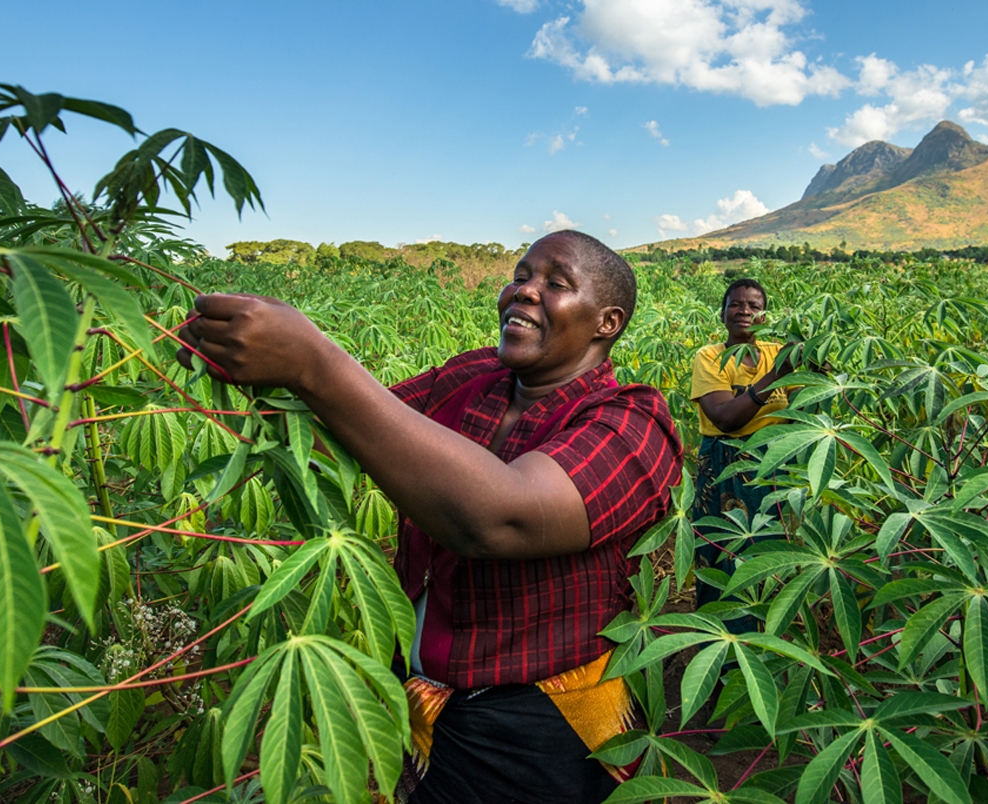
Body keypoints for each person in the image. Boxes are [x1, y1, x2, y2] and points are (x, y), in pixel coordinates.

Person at [176, 231, 681, 804]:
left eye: (555, 284)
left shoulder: (635, 424)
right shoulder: (472, 377)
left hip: (540, 720)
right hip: (418, 694)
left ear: (607, 322)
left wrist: (314, 361)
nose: (524, 292)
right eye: (520, 275)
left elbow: (499, 519)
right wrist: (257, 365)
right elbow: (351, 432)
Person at [688, 278, 793, 620]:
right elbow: (724, 418)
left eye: (754, 306)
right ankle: (719, 645)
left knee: (768, 558)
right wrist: (776, 375)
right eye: (736, 304)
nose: (745, 311)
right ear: (722, 313)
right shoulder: (710, 357)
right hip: (722, 464)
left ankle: (763, 643)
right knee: (719, 554)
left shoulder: (781, 351)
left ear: (766, 315)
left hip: (774, 465)